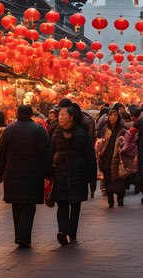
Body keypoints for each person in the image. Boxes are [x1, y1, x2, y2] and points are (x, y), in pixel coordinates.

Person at [0, 105, 52, 248]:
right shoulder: (39, 131)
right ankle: (23, 236)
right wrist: (48, 173)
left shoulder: (9, 130)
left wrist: (0, 173)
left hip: (12, 174)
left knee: (17, 205)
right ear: (31, 115)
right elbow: (45, 155)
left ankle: (20, 236)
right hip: (33, 175)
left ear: (17, 113)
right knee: (29, 206)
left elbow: (0, 153)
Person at [51, 103, 97, 245]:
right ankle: (62, 231)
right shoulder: (57, 132)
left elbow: (90, 156)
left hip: (78, 174)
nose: (60, 117)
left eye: (63, 115)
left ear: (72, 117)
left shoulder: (82, 133)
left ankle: (72, 232)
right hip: (60, 174)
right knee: (62, 203)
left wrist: (92, 178)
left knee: (75, 205)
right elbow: (50, 152)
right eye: (59, 115)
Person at [96, 110, 126, 207]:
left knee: (119, 179)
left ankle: (120, 198)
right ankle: (110, 200)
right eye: (110, 115)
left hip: (118, 159)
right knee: (108, 179)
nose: (112, 117)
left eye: (115, 115)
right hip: (106, 158)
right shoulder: (105, 129)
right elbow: (101, 140)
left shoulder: (122, 129)